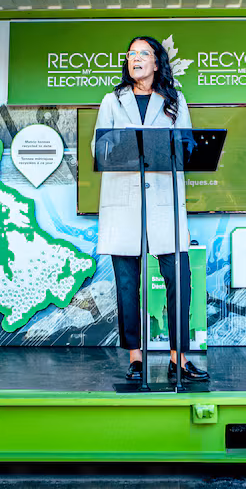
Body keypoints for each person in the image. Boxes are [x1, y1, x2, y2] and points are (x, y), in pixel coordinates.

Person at [92, 36, 208, 383]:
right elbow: (100, 147)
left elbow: (186, 145)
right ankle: (136, 358)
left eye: (144, 54)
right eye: (131, 54)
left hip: (163, 202)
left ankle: (179, 358)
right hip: (123, 203)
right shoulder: (112, 100)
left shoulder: (174, 100)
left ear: (157, 63)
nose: (136, 58)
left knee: (180, 280)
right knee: (128, 285)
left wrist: (167, 148)